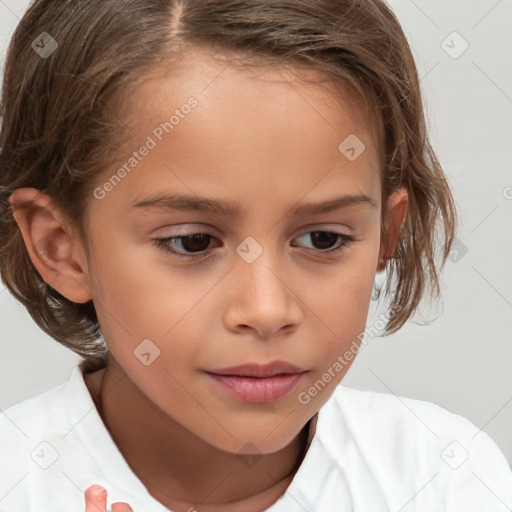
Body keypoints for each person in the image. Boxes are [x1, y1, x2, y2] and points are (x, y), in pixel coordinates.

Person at [0, 1, 511, 511]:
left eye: (323, 239)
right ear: (60, 248)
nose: (267, 311)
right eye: (192, 242)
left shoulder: (445, 476)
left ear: (384, 234)